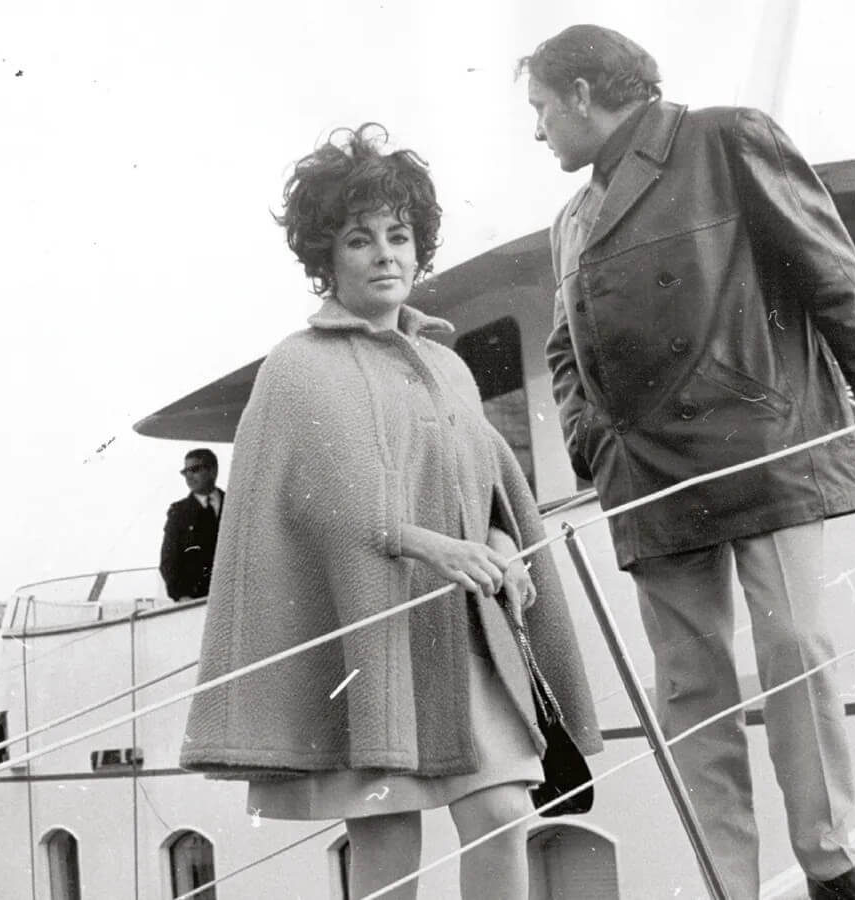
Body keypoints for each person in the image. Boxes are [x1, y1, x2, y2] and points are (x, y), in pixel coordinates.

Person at [520, 25, 855, 900]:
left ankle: (830, 862)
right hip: (646, 471)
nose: (540, 130)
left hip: (760, 439)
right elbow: (564, 351)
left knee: (794, 645)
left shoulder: (723, 137)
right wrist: (594, 439)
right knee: (688, 684)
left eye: (543, 109)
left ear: (585, 92)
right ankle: (727, 886)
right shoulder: (570, 219)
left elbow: (824, 260)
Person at [179, 124, 601, 899]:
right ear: (325, 260)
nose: (384, 253)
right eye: (359, 239)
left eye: (399, 236)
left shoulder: (449, 366)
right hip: (368, 640)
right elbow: (311, 506)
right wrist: (428, 545)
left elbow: (488, 482)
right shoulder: (295, 366)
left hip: (459, 635)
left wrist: (502, 540)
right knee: (387, 837)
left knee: (506, 809)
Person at [159, 448, 224, 602]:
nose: (189, 476)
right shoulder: (179, 512)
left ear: (213, 470)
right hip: (195, 601)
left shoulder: (234, 505)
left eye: (194, 470)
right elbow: (169, 560)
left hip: (232, 596)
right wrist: (181, 596)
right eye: (185, 472)